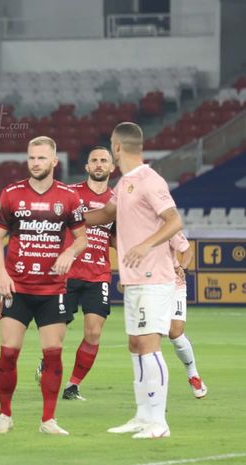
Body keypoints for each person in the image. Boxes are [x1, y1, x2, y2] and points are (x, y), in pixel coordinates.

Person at [85, 122, 183, 439]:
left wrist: (145, 244)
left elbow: (174, 221)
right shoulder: (125, 182)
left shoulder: (149, 180)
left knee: (150, 345)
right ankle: (143, 415)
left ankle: (159, 422)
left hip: (154, 276)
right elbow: (105, 214)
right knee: (136, 344)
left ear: (116, 147)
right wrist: (66, 216)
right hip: (135, 278)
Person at [0, 136, 87, 435]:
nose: (35, 163)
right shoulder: (12, 193)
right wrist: (1, 274)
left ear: (54, 162)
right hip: (17, 287)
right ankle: (5, 415)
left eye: (41, 158)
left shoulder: (68, 197)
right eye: (31, 158)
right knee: (8, 352)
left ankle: (48, 420)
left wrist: (69, 252)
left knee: (53, 352)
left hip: (52, 289)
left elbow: (81, 237)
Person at [61, 147, 115, 401]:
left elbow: (117, 238)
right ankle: (47, 361)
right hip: (68, 271)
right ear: (86, 167)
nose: (98, 164)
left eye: (104, 160)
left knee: (93, 332)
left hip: (98, 273)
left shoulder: (117, 201)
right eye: (94, 160)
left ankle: (73, 385)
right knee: (57, 327)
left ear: (112, 168)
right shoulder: (70, 193)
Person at [168, 231, 207, 398]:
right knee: (145, 338)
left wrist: (182, 268)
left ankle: (193, 375)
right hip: (150, 286)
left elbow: (187, 250)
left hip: (174, 284)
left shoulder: (167, 225)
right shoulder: (137, 225)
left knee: (175, 333)